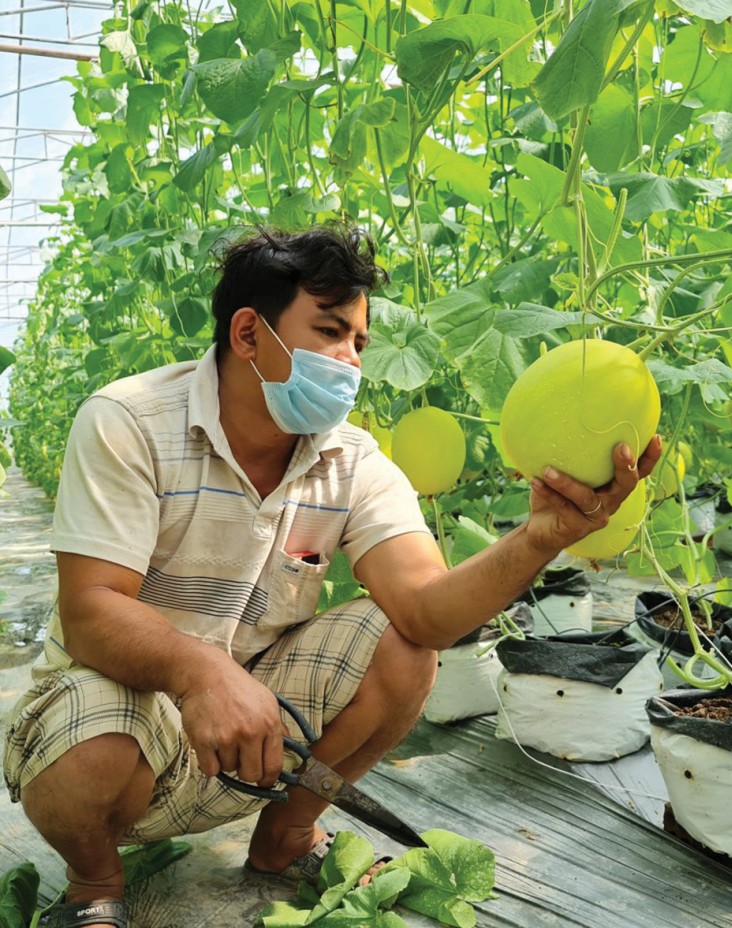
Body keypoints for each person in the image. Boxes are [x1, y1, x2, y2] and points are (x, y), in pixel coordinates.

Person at [2, 224, 662, 928]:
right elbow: (92, 608)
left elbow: (428, 611)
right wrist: (202, 674)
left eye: (359, 343)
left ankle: (286, 838)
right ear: (249, 335)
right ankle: (94, 882)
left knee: (402, 643)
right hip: (130, 721)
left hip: (265, 739)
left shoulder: (353, 460)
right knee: (88, 737)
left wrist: (540, 540)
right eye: (330, 331)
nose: (349, 361)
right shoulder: (128, 421)